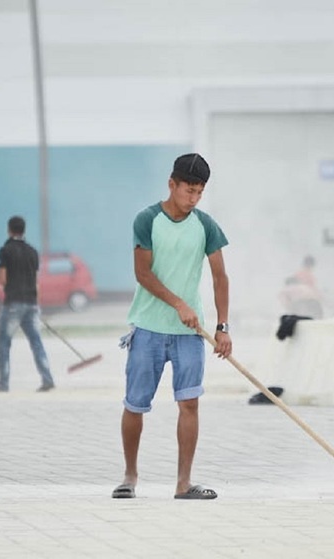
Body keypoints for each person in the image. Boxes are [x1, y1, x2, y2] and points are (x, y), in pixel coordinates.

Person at [113, 153, 231, 500]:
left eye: (199, 192)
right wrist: (179, 303)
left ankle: (183, 483)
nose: (193, 199)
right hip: (148, 328)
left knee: (190, 404)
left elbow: (220, 277)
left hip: (190, 335)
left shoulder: (206, 226)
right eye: (188, 191)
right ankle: (129, 476)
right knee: (135, 404)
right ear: (171, 184)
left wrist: (222, 327)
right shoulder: (147, 220)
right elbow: (142, 274)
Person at [0, 216, 56, 393]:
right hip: (32, 304)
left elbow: (2, 279)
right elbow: (36, 282)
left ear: (9, 230)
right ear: (24, 230)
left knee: (4, 344)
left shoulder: (5, 250)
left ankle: (3, 384)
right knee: (36, 342)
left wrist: (8, 286)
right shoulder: (33, 252)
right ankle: (47, 378)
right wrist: (37, 306)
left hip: (13, 303)